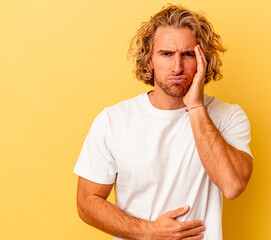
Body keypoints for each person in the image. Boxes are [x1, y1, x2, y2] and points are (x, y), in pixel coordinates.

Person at [74, 4, 253, 240]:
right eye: (166, 54)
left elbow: (232, 185)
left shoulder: (228, 116)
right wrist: (150, 232)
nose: (177, 67)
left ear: (203, 60)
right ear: (149, 60)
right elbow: (87, 202)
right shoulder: (113, 120)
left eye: (188, 54)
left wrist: (196, 106)